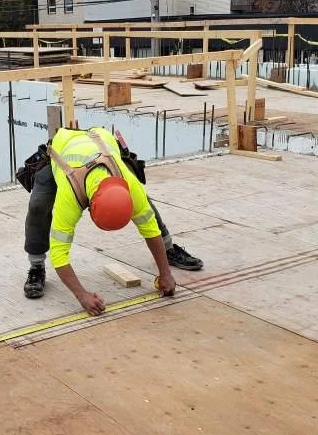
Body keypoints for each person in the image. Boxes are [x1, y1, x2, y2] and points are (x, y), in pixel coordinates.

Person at [22, 126, 203, 315]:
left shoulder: (131, 187)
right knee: (38, 206)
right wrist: (82, 295)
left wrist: (165, 274)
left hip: (100, 140)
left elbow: (150, 229)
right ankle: (36, 266)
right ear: (89, 205)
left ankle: (168, 251)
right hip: (63, 149)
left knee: (147, 208)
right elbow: (59, 254)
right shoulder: (70, 194)